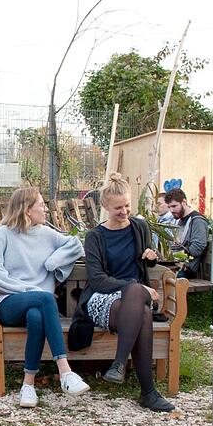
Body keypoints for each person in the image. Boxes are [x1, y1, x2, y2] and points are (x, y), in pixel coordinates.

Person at [67, 172, 175, 412]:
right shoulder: (95, 237)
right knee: (142, 309)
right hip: (103, 297)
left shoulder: (140, 227)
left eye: (127, 205)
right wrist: (137, 287)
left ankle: (118, 365)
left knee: (138, 300)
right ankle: (148, 392)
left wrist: (151, 256)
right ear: (105, 207)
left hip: (134, 298)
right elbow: (98, 280)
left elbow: (146, 261)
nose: (124, 211)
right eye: (118, 208)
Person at [0, 187, 89, 408]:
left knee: (36, 316)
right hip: (8, 302)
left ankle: (28, 385)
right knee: (46, 298)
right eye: (41, 205)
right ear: (27, 210)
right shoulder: (5, 233)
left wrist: (54, 261)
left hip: (37, 306)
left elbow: (75, 244)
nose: (45, 209)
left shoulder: (47, 234)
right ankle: (65, 371)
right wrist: (25, 289)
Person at [164, 188, 208, 279]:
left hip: (187, 270)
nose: (171, 210)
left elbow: (197, 249)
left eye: (174, 206)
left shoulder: (197, 221)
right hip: (176, 266)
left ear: (184, 202)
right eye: (169, 207)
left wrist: (173, 256)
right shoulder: (178, 220)